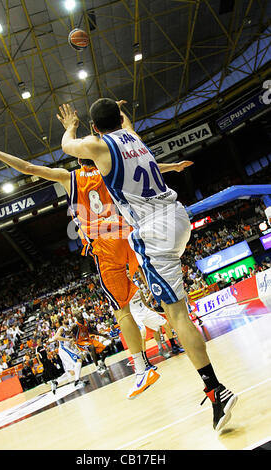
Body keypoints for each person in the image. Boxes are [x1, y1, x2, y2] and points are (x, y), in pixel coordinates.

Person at [57, 99, 238, 431]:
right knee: (169, 309)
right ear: (119, 119)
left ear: (95, 128)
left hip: (154, 232)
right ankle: (209, 386)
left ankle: (216, 392)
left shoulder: (99, 146)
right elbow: (126, 124)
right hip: (177, 214)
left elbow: (68, 145)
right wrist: (121, 112)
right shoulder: (134, 137)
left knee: (177, 314)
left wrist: (70, 124)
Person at [0, 128, 191, 400]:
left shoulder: (68, 177)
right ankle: (184, 328)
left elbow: (27, 167)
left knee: (122, 310)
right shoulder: (110, 169)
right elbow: (147, 166)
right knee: (158, 287)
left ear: (78, 159)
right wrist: (173, 166)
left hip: (105, 244)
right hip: (129, 234)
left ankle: (143, 368)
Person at [48, 317, 89, 394]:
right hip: (64, 349)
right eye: (65, 319)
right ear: (62, 321)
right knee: (78, 361)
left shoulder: (68, 329)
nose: (67, 319)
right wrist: (68, 340)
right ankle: (77, 382)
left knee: (72, 372)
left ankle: (55, 382)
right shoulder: (61, 328)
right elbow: (56, 337)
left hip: (66, 350)